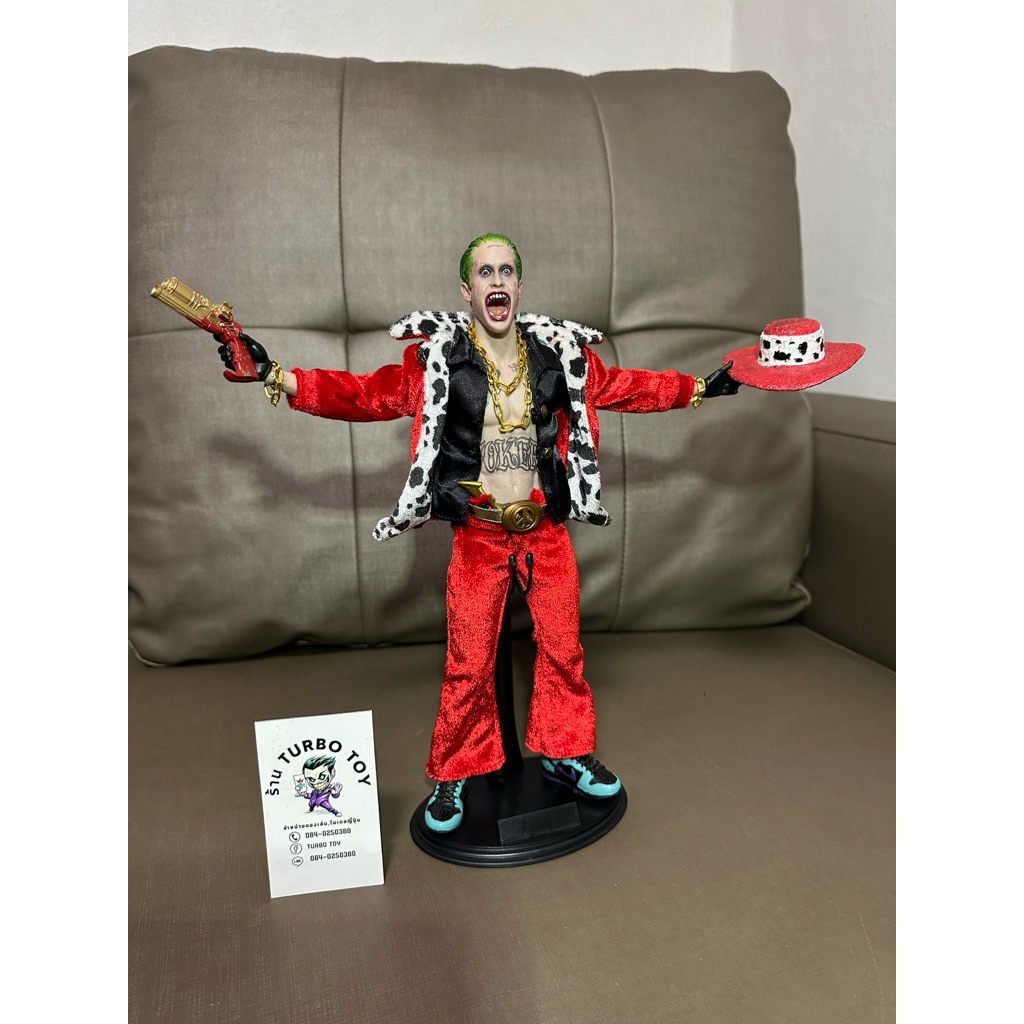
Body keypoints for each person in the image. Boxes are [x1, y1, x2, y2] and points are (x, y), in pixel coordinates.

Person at [217, 233, 739, 833]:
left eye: (506, 271)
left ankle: (565, 753)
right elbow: (364, 394)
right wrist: (277, 375)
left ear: (519, 284)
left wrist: (700, 388)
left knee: (563, 649)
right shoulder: (437, 362)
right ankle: (458, 771)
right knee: (469, 661)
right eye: (485, 272)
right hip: (480, 535)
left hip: (544, 530)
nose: (497, 281)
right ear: (466, 290)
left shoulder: (559, 358)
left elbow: (625, 386)